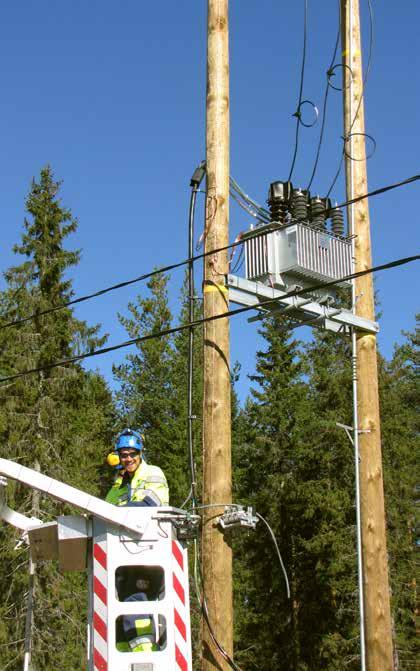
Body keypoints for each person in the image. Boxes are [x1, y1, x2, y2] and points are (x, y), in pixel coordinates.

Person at [106, 428, 169, 507]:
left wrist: (119, 511)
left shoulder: (153, 472)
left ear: (140, 454)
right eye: (124, 455)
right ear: (119, 457)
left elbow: (151, 504)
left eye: (133, 454)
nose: (129, 459)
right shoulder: (120, 487)